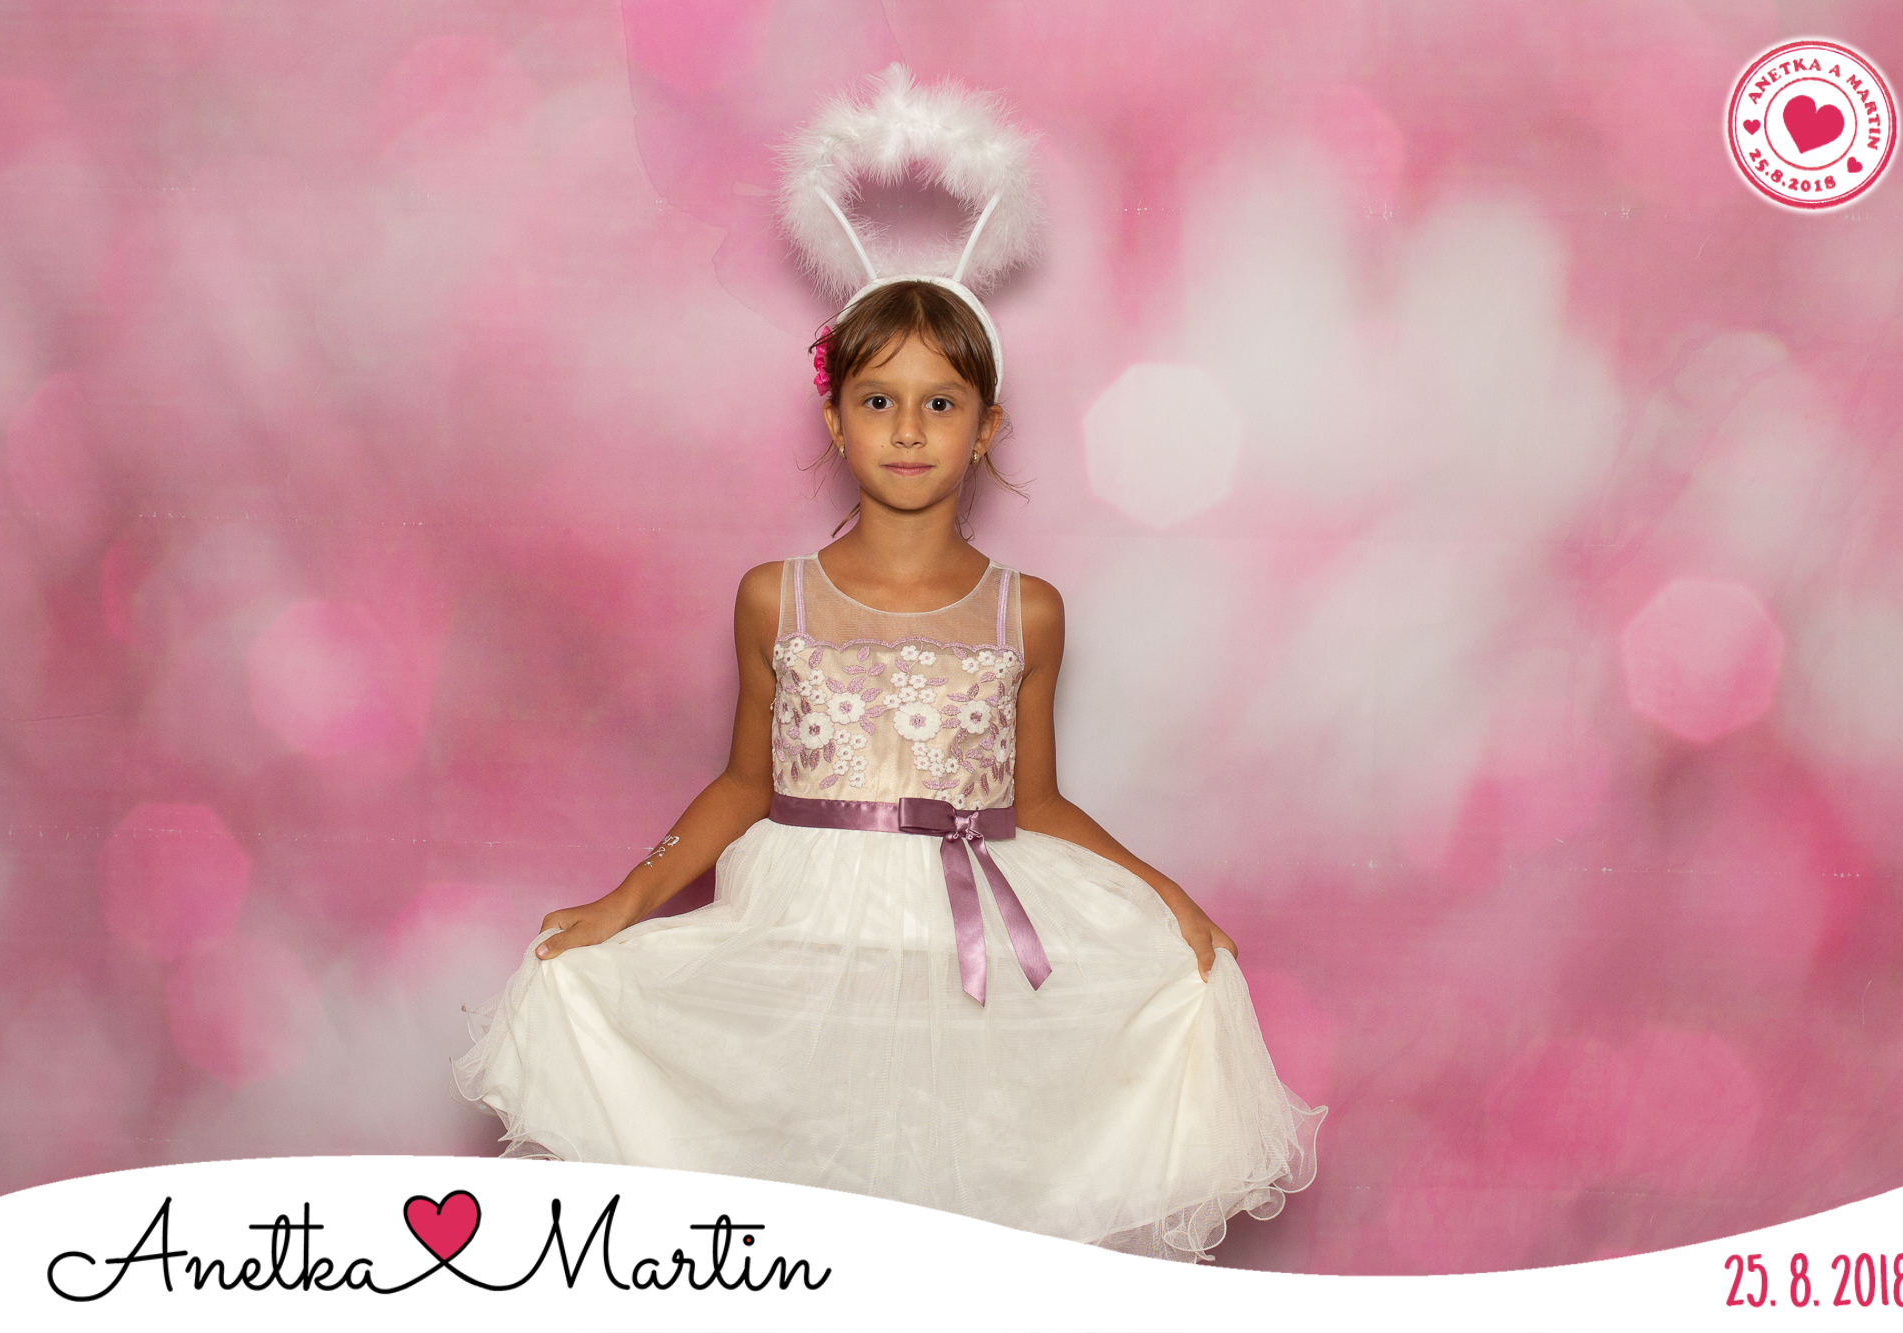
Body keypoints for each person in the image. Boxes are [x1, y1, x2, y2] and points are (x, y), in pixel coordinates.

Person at [453, 69, 1323, 1264]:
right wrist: (624, 902)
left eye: (939, 403)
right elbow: (744, 783)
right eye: (877, 400)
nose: (908, 430)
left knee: (950, 1216)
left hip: (962, 952)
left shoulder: (1025, 612)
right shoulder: (776, 597)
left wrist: (1163, 896)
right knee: (808, 1215)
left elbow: (1034, 801)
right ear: (834, 418)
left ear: (986, 424)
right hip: (801, 929)